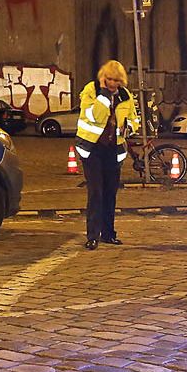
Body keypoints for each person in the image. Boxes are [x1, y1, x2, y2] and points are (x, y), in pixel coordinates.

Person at [74, 60, 137, 250]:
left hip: (113, 149)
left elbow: (134, 119)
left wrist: (129, 127)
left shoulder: (126, 96)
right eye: (109, 79)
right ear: (103, 77)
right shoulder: (91, 90)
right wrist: (104, 95)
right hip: (92, 149)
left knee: (110, 193)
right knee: (96, 193)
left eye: (116, 80)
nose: (112, 83)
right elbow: (95, 116)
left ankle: (108, 234)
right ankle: (93, 235)